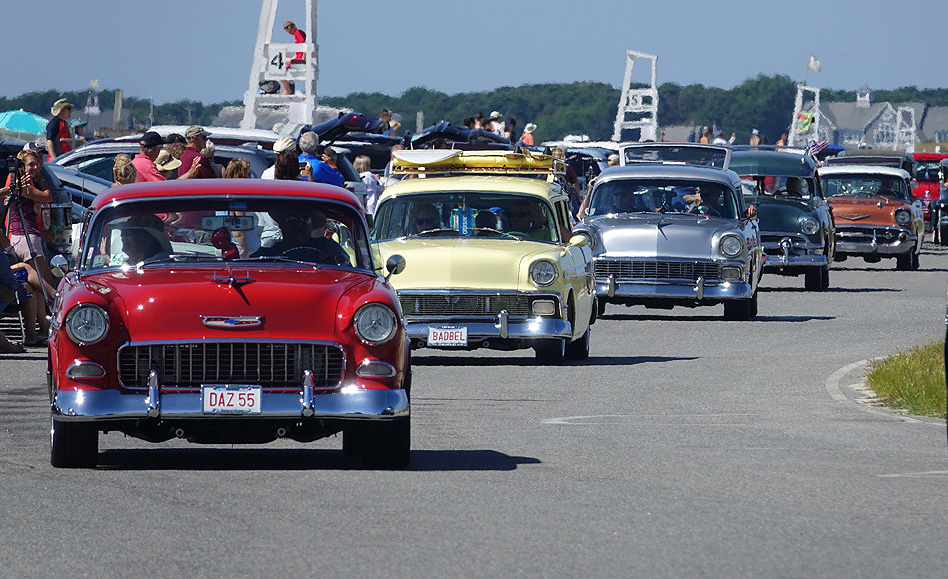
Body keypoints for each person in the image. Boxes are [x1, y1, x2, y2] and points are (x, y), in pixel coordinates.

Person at [2, 149, 56, 287]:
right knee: (41, 281)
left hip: (29, 235)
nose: (36, 167)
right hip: (26, 237)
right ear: (22, 166)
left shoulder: (25, 183)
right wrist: (41, 180)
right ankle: (55, 300)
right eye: (32, 164)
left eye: (37, 163)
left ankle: (43, 308)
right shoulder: (22, 185)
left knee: (35, 285)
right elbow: (47, 197)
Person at [252, 208, 349, 265]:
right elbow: (249, 264)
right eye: (291, 219)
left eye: (305, 220)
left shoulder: (326, 246)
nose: (298, 225)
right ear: (281, 224)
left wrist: (334, 260)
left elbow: (347, 265)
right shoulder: (268, 253)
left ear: (312, 226)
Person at [280, 21, 307, 95]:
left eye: (290, 31)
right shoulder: (297, 34)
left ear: (293, 26)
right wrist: (291, 59)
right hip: (298, 59)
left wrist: (303, 59)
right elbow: (298, 52)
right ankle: (289, 87)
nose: (290, 33)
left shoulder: (298, 32)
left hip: (300, 60)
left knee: (280, 68)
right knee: (282, 66)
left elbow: (305, 45)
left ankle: (288, 89)